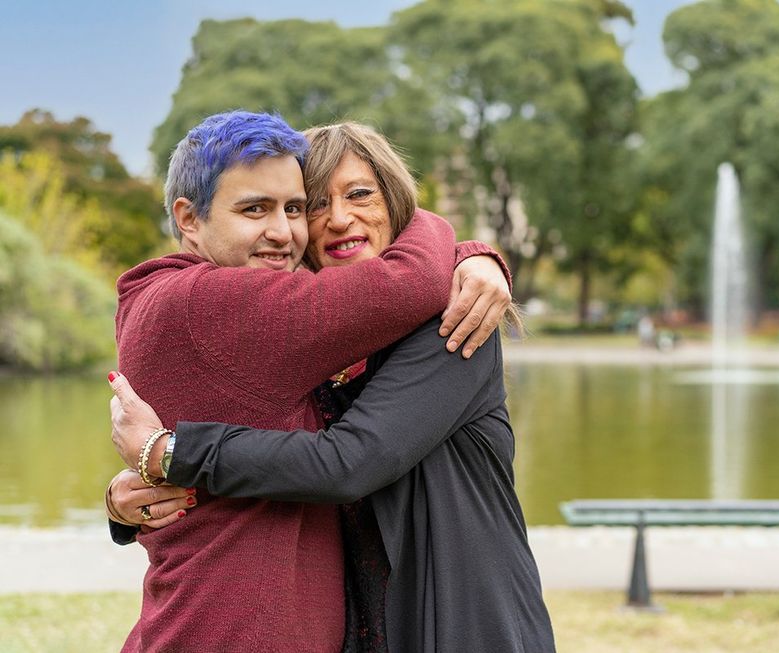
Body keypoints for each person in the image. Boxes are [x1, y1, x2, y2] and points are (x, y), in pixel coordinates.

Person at [109, 121, 555, 652]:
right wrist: (125, 497)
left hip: (461, 624)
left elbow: (349, 461)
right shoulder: (296, 337)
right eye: (315, 204)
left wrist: (171, 452)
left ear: (395, 203)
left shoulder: (454, 327)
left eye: (362, 194)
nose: (339, 218)